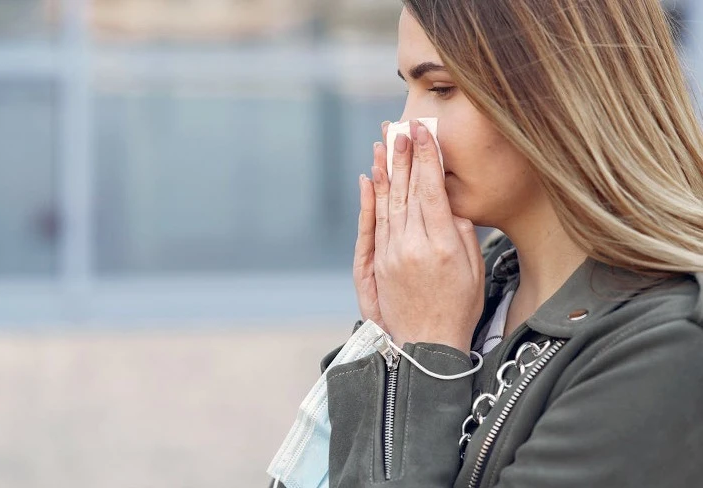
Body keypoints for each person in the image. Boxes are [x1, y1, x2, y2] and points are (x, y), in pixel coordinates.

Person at [268, 0, 703, 487]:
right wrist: (388, 341)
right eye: (408, 88)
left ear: (562, 94)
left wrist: (424, 356)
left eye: (441, 88)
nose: (404, 129)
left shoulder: (666, 347)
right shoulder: (469, 288)